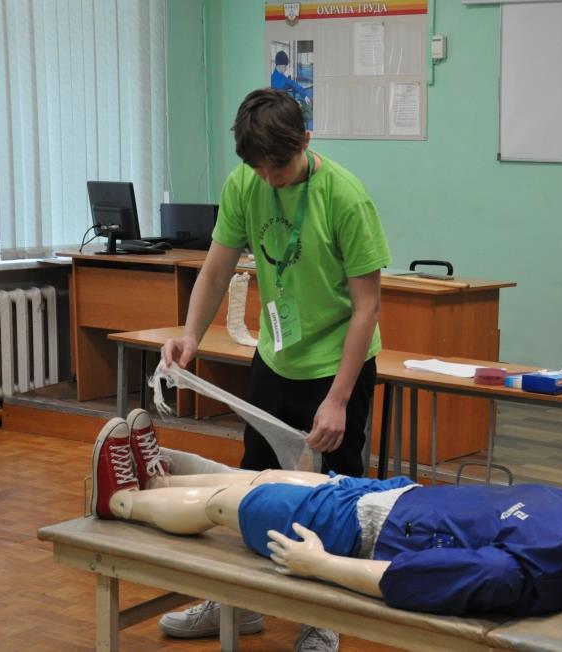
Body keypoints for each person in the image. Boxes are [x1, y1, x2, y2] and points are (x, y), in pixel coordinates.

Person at [91, 416, 562, 644]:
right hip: (394, 495)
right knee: (262, 477)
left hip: (352, 531)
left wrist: (321, 567)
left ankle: (121, 500)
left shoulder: (525, 577)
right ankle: (155, 478)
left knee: (226, 505)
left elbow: (402, 578)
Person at [159, 88, 391, 649]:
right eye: (258, 167)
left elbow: (367, 308)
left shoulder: (346, 198)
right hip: (276, 356)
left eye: (278, 166)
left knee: (332, 493)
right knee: (254, 484)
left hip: (338, 364)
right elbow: (216, 269)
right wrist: (190, 334)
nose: (269, 178)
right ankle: (239, 604)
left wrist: (338, 399)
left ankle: (323, 617)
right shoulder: (247, 183)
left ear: (306, 141)